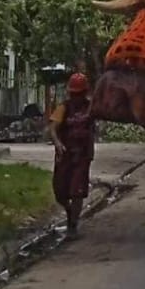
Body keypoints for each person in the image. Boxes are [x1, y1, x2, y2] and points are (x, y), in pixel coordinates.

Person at [49, 73, 96, 239]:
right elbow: (53, 128)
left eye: (80, 94)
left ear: (85, 93)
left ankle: (73, 224)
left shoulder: (91, 107)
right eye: (74, 94)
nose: (77, 97)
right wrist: (57, 143)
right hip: (65, 155)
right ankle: (69, 212)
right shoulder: (64, 108)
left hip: (82, 155)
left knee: (77, 191)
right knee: (60, 192)